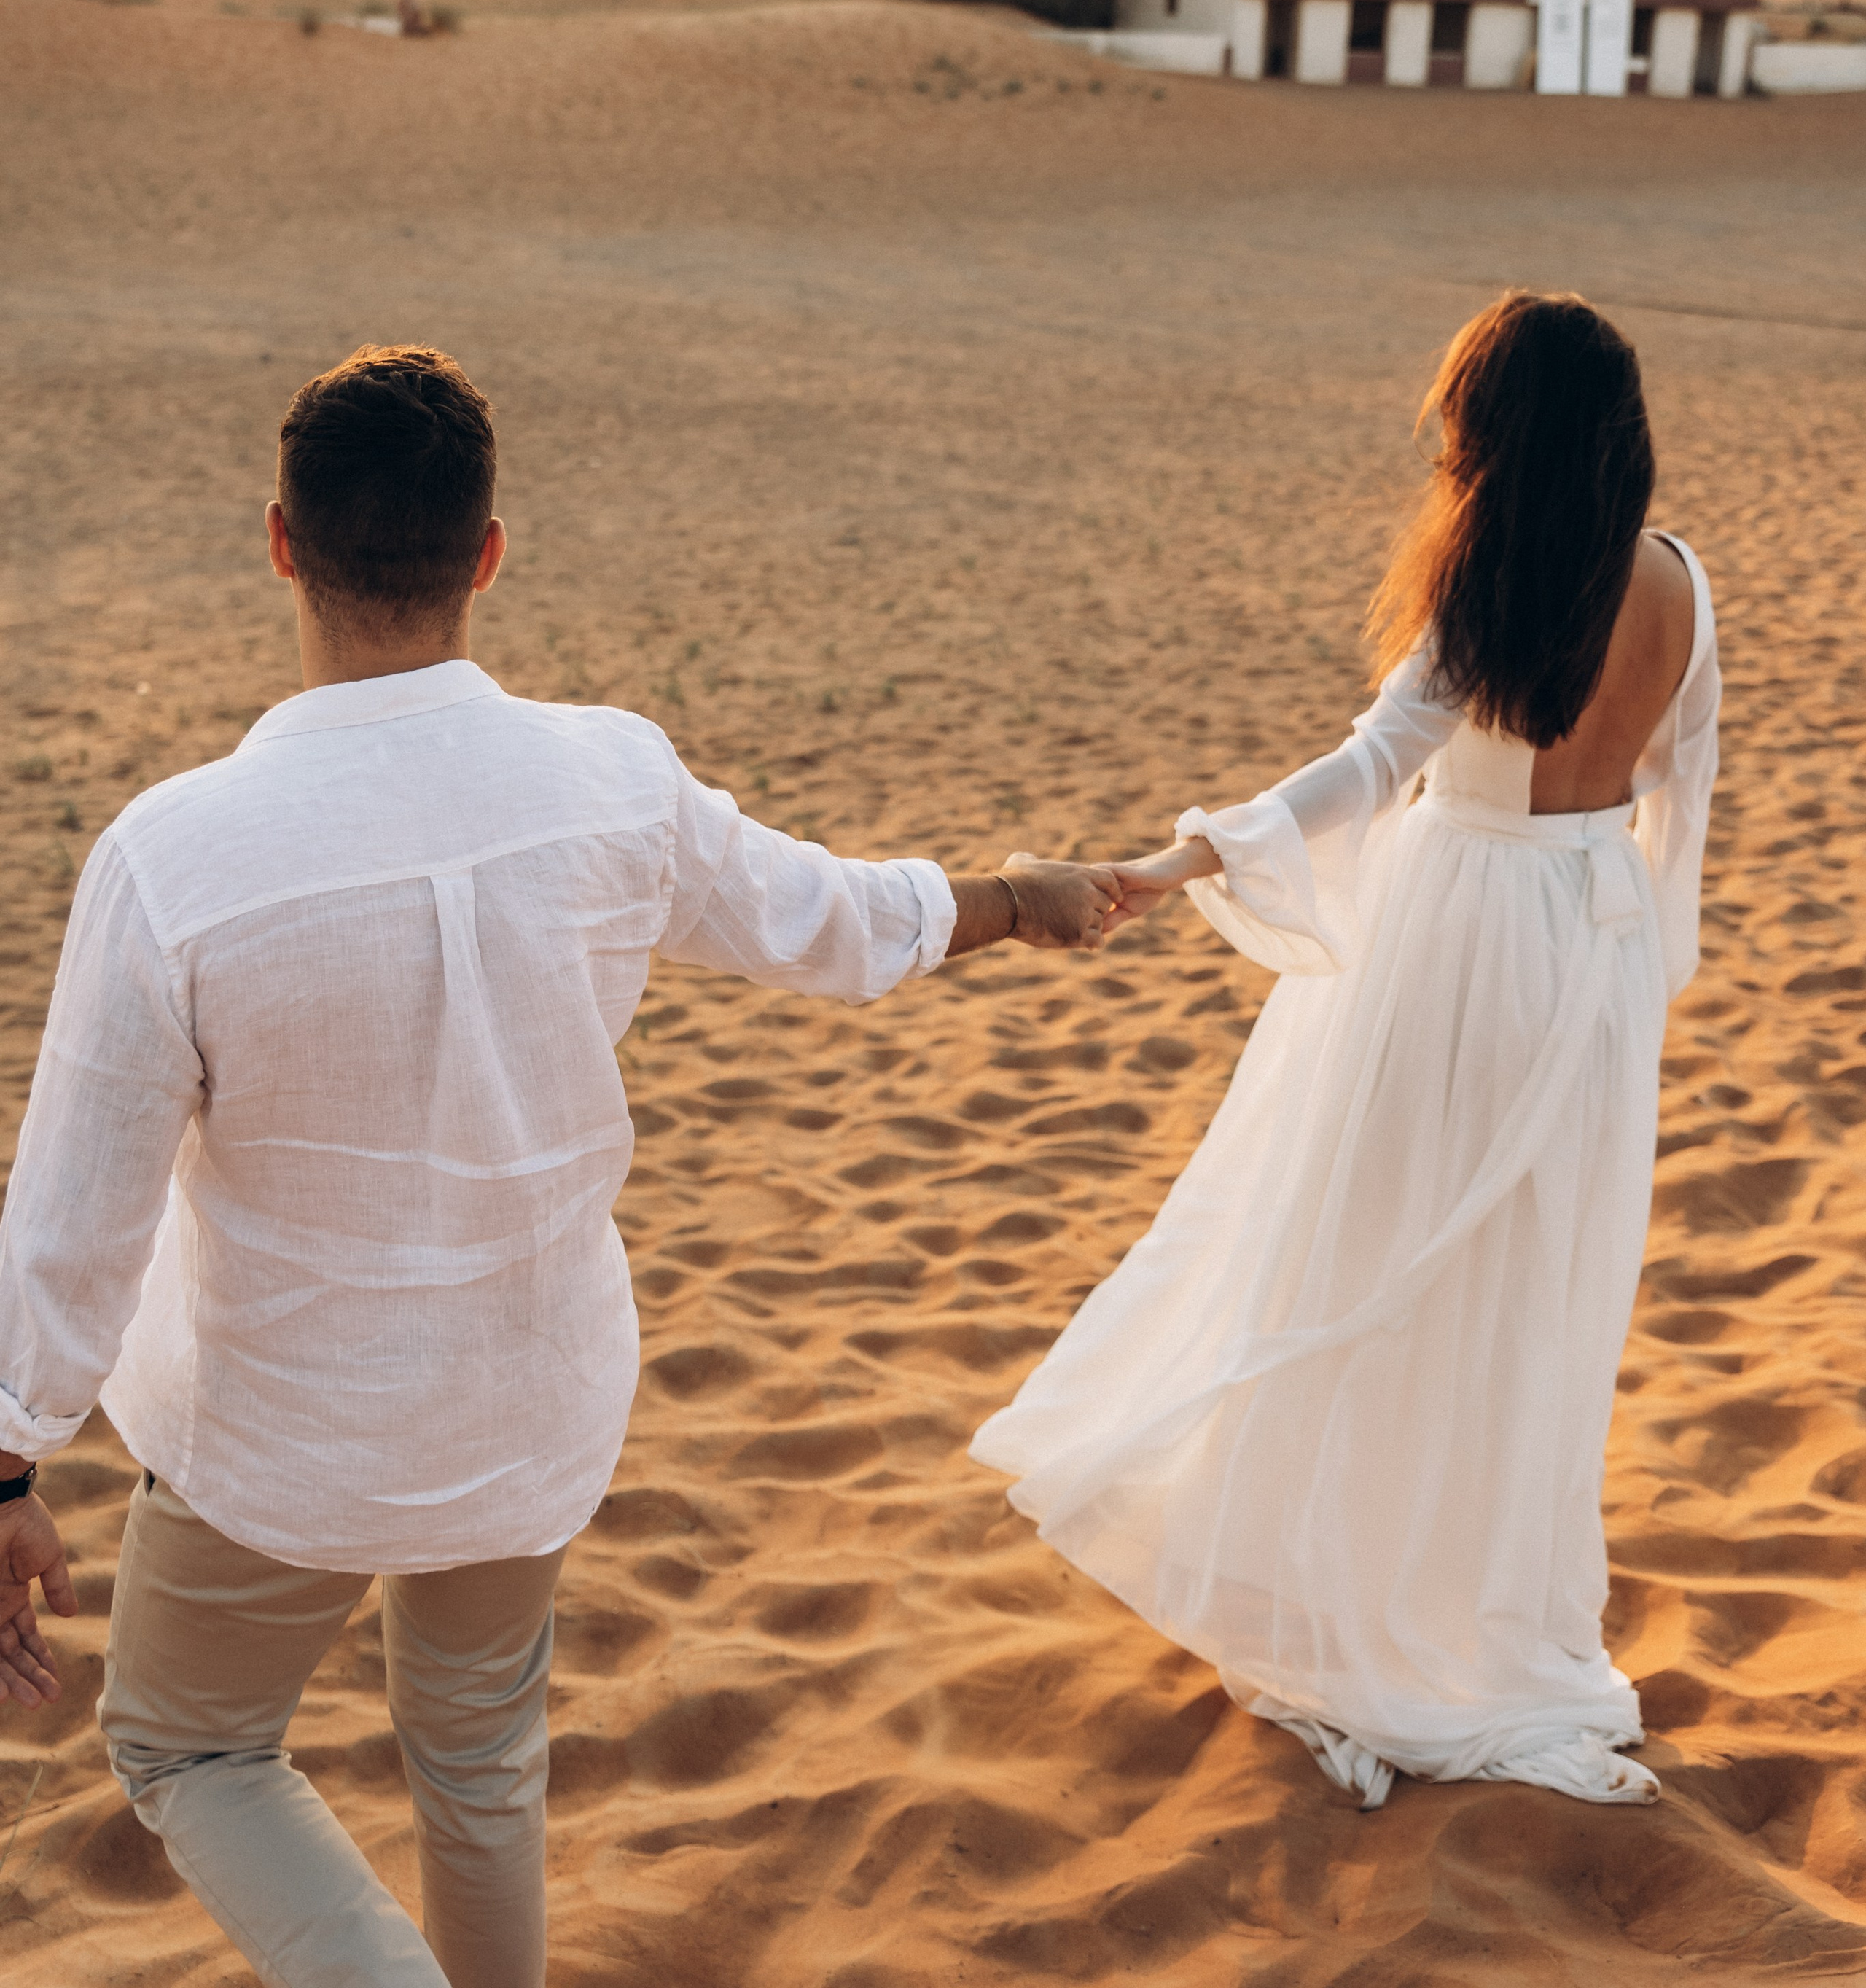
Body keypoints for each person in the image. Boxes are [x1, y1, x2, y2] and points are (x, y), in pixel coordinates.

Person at [0, 344, 1117, 1987]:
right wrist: (1020, 898)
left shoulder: (178, 855)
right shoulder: (611, 776)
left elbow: (75, 1203)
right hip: (526, 1399)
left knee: (188, 1745)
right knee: (478, 1769)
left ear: (281, 543)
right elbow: (831, 921)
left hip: (278, 1430)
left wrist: (12, 1457)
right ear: (490, 553)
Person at [973, 291, 1719, 1810]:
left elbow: (1368, 770)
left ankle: (1358, 1586)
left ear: (1494, 438)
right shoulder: (1679, 587)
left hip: (1459, 933)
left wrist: (1183, 862)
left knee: (1367, 1249)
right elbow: (1675, 801)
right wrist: (1643, 970)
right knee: (1528, 1285)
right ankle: (1479, 1603)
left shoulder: (1492, 586)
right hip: (1594, 946)